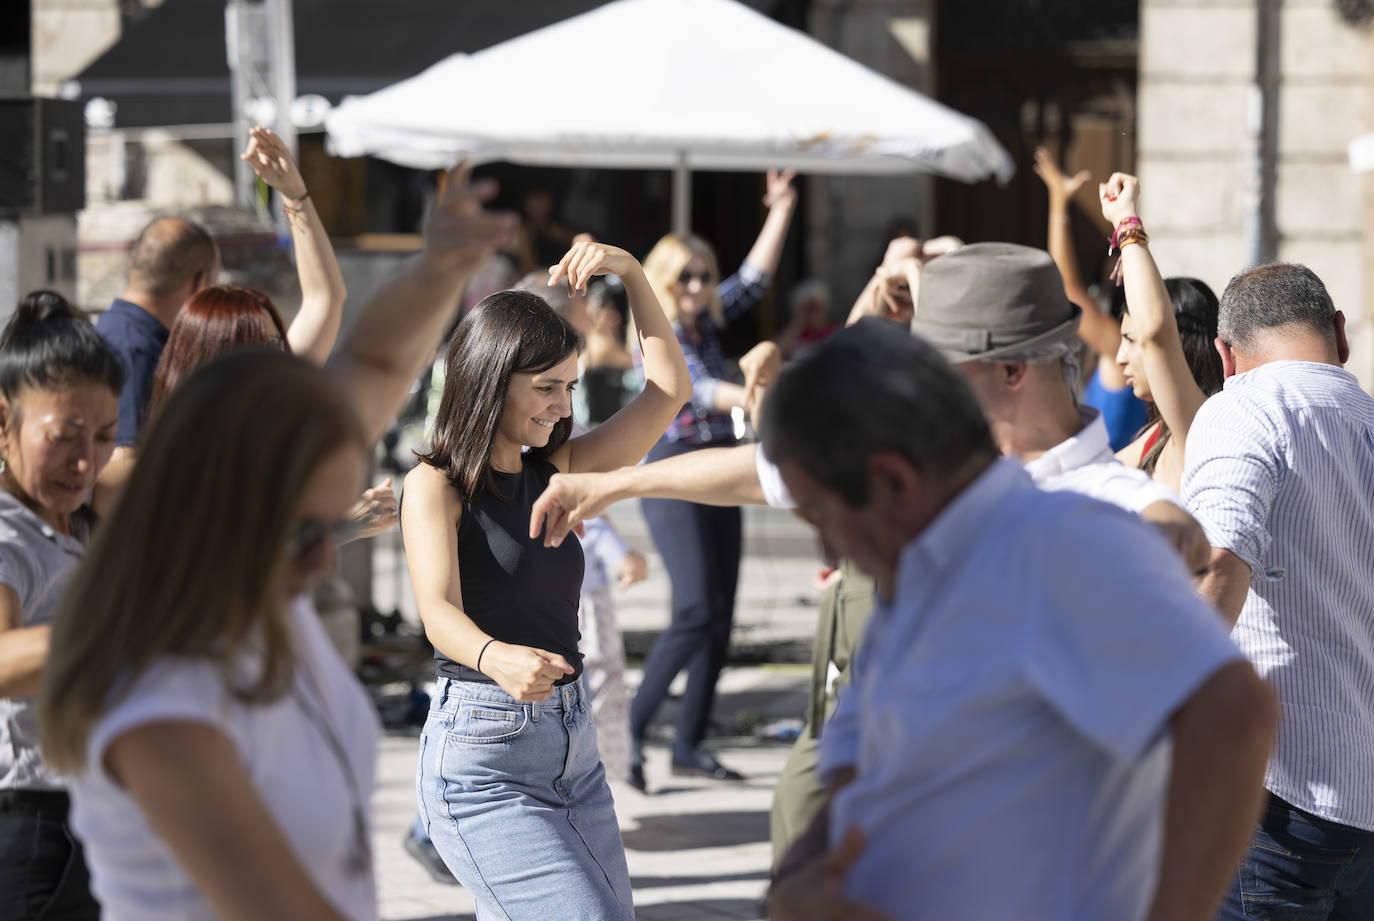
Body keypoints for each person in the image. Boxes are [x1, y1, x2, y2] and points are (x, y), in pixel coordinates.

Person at [530, 242, 1215, 871]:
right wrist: (614, 482)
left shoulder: (1106, 498)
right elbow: (761, 470)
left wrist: (1167, 524)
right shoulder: (936, 456)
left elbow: (1187, 588)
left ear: (1011, 372)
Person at [36, 164, 518, 921]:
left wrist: (441, 267)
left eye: (326, 526)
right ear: (214, 497)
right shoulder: (161, 697)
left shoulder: (251, 594)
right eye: (305, 534)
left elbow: (378, 363)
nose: (327, 557)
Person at [763, 320, 1277, 921]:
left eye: (821, 517)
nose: (828, 552)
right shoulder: (917, 574)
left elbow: (1234, 714)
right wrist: (799, 881)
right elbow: (858, 765)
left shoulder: (1053, 543)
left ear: (892, 481)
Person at [401, 239, 690, 920]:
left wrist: (634, 275)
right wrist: (492, 654)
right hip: (482, 760)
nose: (564, 406)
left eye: (570, 386)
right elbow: (436, 611)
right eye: (547, 387)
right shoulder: (433, 484)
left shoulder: (556, 468)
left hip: (573, 751)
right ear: (492, 378)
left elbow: (670, 390)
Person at [1181, 262, 1374, 920]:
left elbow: (1215, 568)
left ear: (1225, 355)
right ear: (1339, 335)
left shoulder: (1241, 409)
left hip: (1276, 797)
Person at [630, 168, 797, 789]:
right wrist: (752, 398)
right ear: (665, 282)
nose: (699, 284)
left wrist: (781, 208)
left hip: (719, 470)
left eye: (704, 274)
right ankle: (633, 728)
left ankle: (689, 742)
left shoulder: (702, 318)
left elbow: (753, 282)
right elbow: (693, 390)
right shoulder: (658, 327)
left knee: (721, 612)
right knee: (695, 609)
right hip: (674, 472)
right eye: (687, 276)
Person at [0, 291, 123, 921]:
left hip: (85, 815)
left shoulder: (66, 522)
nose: (86, 462)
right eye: (65, 436)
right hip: (28, 825)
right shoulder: (6, 530)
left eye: (104, 437)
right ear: (4, 423)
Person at [1099, 172, 1224, 490]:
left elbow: (1154, 330)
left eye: (1131, 340)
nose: (1120, 357)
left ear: (1176, 344)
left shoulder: (1199, 425)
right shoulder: (1159, 434)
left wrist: (1125, 220)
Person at [93, 215, 217, 507]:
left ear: (132, 266)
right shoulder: (134, 350)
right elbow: (122, 468)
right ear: (199, 282)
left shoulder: (124, 333)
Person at [1032, 145, 1148, 451]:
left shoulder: (1118, 343)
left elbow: (1067, 289)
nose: (1118, 265)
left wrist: (1058, 201)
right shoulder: (1120, 347)